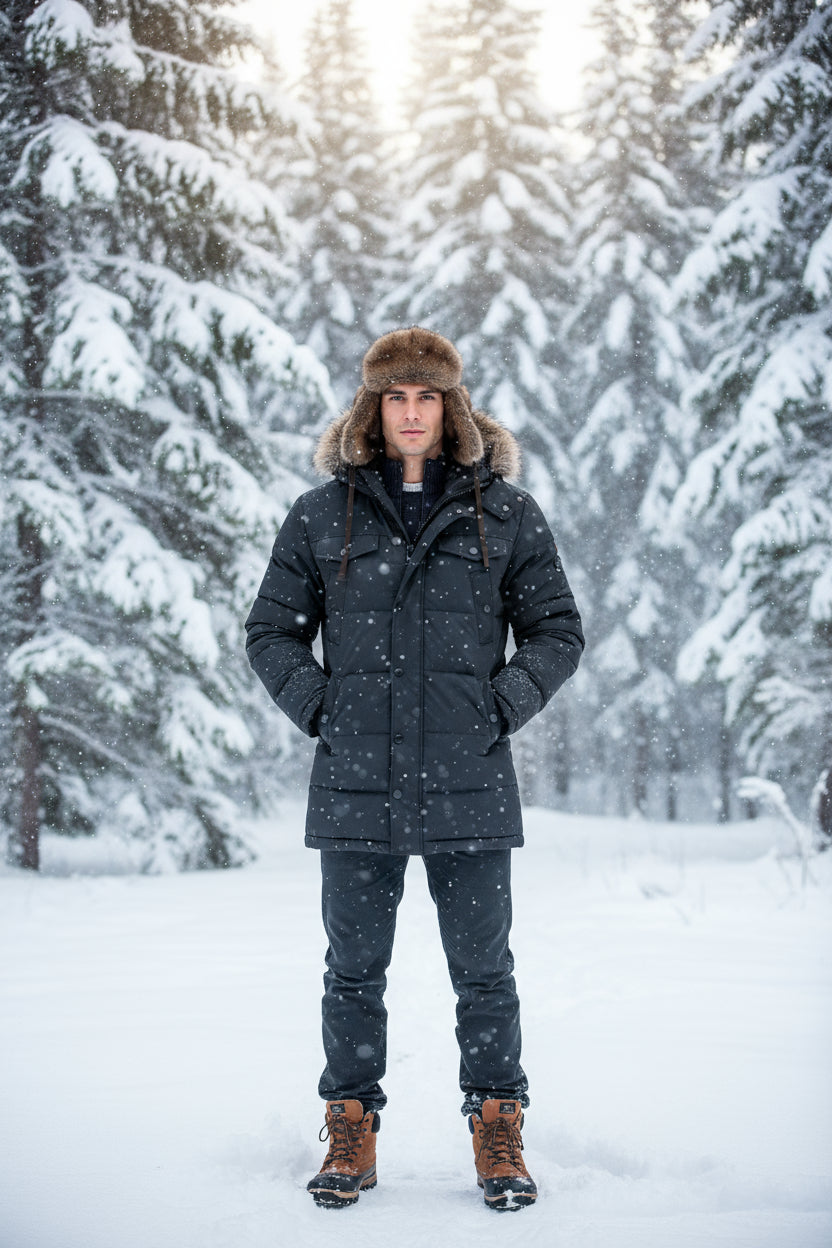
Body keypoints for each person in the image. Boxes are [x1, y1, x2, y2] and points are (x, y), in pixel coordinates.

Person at [245, 326, 584, 1211]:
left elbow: (557, 631)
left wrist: (498, 705)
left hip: (468, 779)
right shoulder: (322, 515)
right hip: (356, 781)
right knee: (352, 970)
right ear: (372, 407)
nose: (410, 412)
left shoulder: (505, 513)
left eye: (426, 396)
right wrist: (324, 709)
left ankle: (498, 1130)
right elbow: (270, 631)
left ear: (450, 408)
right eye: (394, 396)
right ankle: (350, 1128)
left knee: (485, 971)